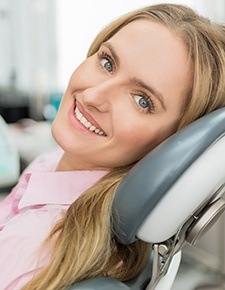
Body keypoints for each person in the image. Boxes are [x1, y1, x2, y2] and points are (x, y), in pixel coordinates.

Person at [0, 3, 225, 290]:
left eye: (142, 100)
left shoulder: (33, 248)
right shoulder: (53, 163)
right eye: (107, 63)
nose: (93, 95)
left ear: (170, 145)